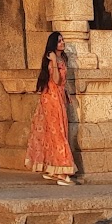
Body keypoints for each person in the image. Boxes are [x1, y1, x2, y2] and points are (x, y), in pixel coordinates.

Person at [24, 31, 77, 185]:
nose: (62, 42)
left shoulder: (63, 59)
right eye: (59, 41)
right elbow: (55, 79)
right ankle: (62, 173)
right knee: (58, 133)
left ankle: (52, 169)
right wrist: (53, 60)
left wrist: (66, 93)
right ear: (53, 44)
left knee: (56, 133)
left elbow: (62, 83)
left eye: (62, 40)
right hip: (51, 100)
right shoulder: (52, 60)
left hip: (58, 97)